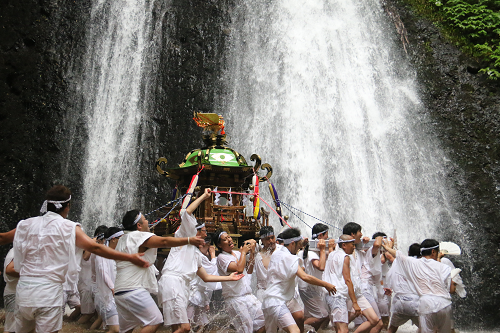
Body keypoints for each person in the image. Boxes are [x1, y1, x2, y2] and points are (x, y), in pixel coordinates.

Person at [12, 185, 149, 333]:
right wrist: (129, 257)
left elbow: (5, 240)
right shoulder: (69, 227)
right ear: (67, 207)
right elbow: (95, 248)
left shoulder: (25, 224)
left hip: (24, 292)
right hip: (48, 294)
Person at [158, 188, 243, 333]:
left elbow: (206, 276)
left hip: (179, 286)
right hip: (172, 282)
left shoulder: (197, 255)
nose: (206, 234)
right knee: (185, 327)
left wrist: (227, 277)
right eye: (204, 231)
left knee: (177, 327)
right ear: (196, 231)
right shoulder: (184, 236)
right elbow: (187, 212)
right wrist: (204, 196)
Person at [114, 204, 206, 333]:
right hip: (133, 289)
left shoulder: (123, 239)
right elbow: (164, 242)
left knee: (129, 329)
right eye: (145, 219)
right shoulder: (138, 236)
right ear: (139, 226)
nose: (148, 221)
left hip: (119, 291)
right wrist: (189, 240)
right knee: (155, 320)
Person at [262, 228, 336, 333]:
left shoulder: (277, 253)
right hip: (277, 302)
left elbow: (286, 266)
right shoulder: (289, 258)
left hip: (270, 300)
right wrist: (326, 284)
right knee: (295, 331)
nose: (300, 247)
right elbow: (305, 277)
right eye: (298, 244)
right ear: (292, 243)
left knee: (299, 317)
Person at [382, 239, 456, 333]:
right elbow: (450, 288)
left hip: (427, 304)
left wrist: (387, 248)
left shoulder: (414, 263)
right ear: (433, 251)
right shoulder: (445, 267)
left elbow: (398, 255)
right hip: (445, 304)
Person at [323, 235, 380, 333]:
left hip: (334, 294)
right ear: (344, 245)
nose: (354, 247)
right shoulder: (345, 257)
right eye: (352, 244)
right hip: (339, 295)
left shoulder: (332, 254)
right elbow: (348, 280)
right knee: (343, 329)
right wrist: (354, 303)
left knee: (342, 328)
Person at [214, 230, 265, 333]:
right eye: (225, 239)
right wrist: (243, 253)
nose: (229, 240)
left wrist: (251, 253)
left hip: (248, 296)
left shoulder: (238, 253)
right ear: (219, 245)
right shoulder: (221, 258)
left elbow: (248, 270)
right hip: (235, 299)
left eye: (229, 237)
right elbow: (239, 269)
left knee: (265, 319)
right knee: (247, 328)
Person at [343, 222, 384, 333]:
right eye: (359, 232)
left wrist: (364, 244)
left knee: (364, 321)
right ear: (352, 234)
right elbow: (376, 244)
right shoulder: (344, 254)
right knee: (378, 322)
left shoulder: (358, 252)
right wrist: (379, 237)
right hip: (356, 291)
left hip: (356, 291)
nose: (361, 234)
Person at [298, 223, 331, 332]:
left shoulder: (314, 250)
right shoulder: (311, 253)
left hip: (312, 287)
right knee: (322, 315)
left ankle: (310, 331)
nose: (328, 237)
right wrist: (322, 250)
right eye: (327, 235)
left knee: (317, 315)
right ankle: (296, 329)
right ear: (321, 236)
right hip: (308, 288)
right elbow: (321, 267)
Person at [385, 243, 421, 333]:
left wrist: (387, 247)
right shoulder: (423, 264)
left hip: (400, 303)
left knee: (391, 329)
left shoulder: (401, 261)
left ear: (408, 252)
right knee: (429, 329)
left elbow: (393, 257)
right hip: (417, 303)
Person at [94, 227, 124, 333]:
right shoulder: (102, 252)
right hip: (106, 297)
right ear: (113, 239)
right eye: (121, 238)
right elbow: (103, 272)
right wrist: (112, 288)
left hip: (116, 296)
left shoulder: (117, 253)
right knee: (115, 330)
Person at [186, 235, 218, 330]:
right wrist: (213, 255)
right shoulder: (198, 255)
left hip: (199, 295)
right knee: (187, 324)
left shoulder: (198, 255)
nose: (209, 249)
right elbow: (211, 272)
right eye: (208, 246)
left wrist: (206, 302)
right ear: (201, 245)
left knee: (202, 324)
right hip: (192, 295)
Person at [254, 226, 277, 302]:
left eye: (272, 237)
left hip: (280, 292)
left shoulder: (282, 251)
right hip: (264, 293)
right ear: (262, 240)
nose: (271, 241)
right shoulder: (258, 256)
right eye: (267, 239)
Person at [3, 248, 19, 333]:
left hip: (13, 293)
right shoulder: (19, 249)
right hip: (15, 294)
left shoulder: (15, 249)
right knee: (13, 329)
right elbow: (9, 270)